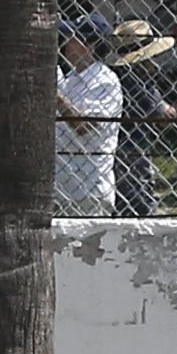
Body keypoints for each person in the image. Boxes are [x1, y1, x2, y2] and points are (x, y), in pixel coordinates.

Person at [52, 14, 124, 214]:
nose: (66, 42)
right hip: (61, 188)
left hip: (89, 191)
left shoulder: (105, 81)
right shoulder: (70, 80)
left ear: (91, 45)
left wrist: (55, 94)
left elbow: (84, 127)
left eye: (73, 37)